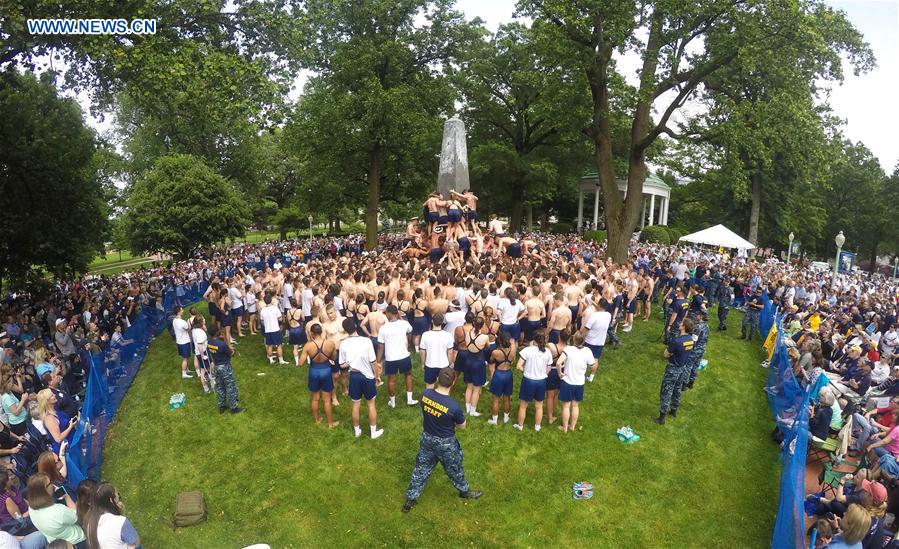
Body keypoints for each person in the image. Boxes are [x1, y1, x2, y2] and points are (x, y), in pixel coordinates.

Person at [401, 367, 482, 513]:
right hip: (446, 443)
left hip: (427, 438)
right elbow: (462, 426)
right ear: (453, 382)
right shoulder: (454, 407)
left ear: (438, 379)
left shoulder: (425, 395)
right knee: (454, 468)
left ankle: (411, 499)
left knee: (421, 468)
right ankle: (464, 491)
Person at [339, 318, 383, 439]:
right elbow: (373, 362)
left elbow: (342, 365)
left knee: (355, 405)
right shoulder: (366, 341)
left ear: (345, 330)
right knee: (371, 405)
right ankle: (373, 432)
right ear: (355, 326)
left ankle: (357, 431)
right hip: (368, 377)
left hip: (354, 376)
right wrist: (377, 376)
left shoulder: (343, 344)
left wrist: (350, 362)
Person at [296, 324, 339, 428]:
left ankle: (317, 419)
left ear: (311, 333)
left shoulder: (308, 345)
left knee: (315, 398)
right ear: (321, 332)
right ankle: (330, 423)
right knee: (327, 400)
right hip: (326, 371)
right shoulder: (330, 343)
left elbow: (300, 363)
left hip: (314, 371)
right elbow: (334, 358)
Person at [26, 473, 84, 546]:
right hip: (77, 541)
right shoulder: (58, 511)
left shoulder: (31, 509)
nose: (53, 485)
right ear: (44, 490)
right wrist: (66, 496)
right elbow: (77, 516)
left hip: (58, 544)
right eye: (50, 483)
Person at [656, 317, 695, 425]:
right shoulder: (690, 339)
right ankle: (673, 410)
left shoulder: (676, 341)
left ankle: (661, 417)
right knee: (677, 389)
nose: (679, 323)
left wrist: (671, 353)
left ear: (683, 327)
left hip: (673, 369)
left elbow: (665, 354)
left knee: (666, 391)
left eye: (681, 323)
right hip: (683, 368)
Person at [376, 306, 416, 409]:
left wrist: (378, 361)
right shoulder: (404, 324)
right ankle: (410, 399)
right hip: (404, 355)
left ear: (389, 313)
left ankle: (392, 402)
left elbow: (381, 346)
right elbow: (410, 330)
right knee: (408, 375)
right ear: (397, 313)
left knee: (391, 379)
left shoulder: (383, 328)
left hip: (390, 358)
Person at [514, 330, 553, 432]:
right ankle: (537, 426)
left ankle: (520, 425)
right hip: (541, 381)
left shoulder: (527, 350)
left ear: (534, 339)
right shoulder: (548, 352)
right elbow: (549, 369)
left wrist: (526, 371)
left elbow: (518, 366)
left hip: (528, 381)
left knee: (523, 406)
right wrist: (543, 374)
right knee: (539, 406)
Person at [84, 483, 139, 549]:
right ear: (111, 500)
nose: (119, 496)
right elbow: (134, 543)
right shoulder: (120, 522)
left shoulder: (90, 523)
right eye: (117, 495)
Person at [557, 332, 593, 433]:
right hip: (580, 382)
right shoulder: (588, 351)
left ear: (574, 339)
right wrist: (590, 374)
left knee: (566, 406)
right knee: (575, 405)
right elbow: (593, 365)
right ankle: (572, 426)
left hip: (568, 381)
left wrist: (560, 373)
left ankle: (564, 428)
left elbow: (559, 363)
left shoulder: (568, 349)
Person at [206, 325, 244, 415]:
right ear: (217, 332)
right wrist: (232, 350)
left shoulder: (209, 342)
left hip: (216, 366)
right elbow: (231, 354)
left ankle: (222, 406)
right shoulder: (221, 344)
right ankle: (234, 408)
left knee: (220, 386)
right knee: (231, 386)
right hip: (225, 367)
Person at [487, 331, 516, 426]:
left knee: (495, 399)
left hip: (498, 374)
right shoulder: (514, 349)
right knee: (507, 397)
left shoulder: (495, 352)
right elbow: (513, 360)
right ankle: (506, 418)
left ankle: (494, 420)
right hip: (508, 374)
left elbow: (491, 360)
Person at [259, 295, 288, 365]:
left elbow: (262, 321)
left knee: (269, 345)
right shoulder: (275, 308)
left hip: (267, 330)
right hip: (275, 329)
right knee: (279, 345)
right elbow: (280, 318)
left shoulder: (262, 310)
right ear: (271, 300)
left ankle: (271, 360)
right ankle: (281, 360)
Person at [171, 306, 193, 380]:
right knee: (185, 359)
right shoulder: (182, 322)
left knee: (185, 357)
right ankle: (184, 373)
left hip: (179, 342)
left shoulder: (174, 320)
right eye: (181, 310)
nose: (183, 310)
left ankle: (187, 370)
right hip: (184, 342)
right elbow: (188, 329)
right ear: (178, 312)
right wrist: (189, 323)